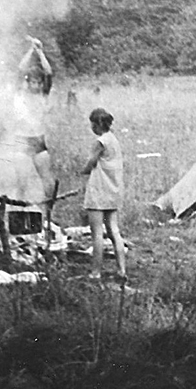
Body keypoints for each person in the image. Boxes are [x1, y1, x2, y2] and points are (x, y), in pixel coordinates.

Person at [80, 107, 126, 281]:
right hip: (113, 191)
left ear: (98, 124)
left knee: (97, 233)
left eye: (92, 123)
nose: (91, 127)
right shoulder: (114, 139)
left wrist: (82, 171)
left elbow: (91, 161)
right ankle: (122, 270)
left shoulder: (100, 142)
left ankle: (95, 272)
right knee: (114, 230)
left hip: (99, 191)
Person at [13, 37, 55, 217]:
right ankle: (19, 212)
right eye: (33, 82)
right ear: (28, 82)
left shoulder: (43, 95)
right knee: (21, 181)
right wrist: (31, 50)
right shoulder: (21, 93)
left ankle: (48, 213)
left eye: (39, 82)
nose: (36, 85)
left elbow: (49, 72)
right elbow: (20, 70)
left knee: (47, 179)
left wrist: (40, 52)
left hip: (38, 140)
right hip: (22, 140)